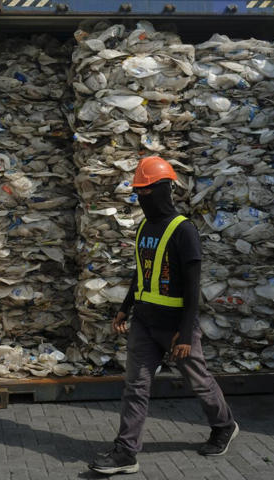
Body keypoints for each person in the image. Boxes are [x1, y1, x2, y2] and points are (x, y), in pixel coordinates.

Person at [89, 156, 238, 476]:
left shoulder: (183, 230)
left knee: (198, 382)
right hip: (144, 322)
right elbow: (141, 273)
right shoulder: (145, 226)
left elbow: (193, 287)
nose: (141, 197)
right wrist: (125, 307)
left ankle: (224, 425)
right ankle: (127, 452)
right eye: (138, 191)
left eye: (146, 191)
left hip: (174, 326)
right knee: (135, 387)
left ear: (163, 189)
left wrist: (185, 334)